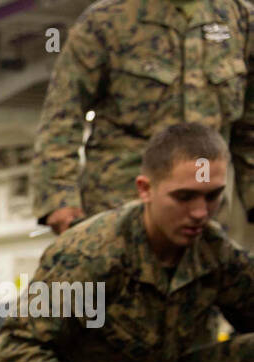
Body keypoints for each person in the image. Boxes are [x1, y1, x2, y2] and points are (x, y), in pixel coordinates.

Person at [0, 123, 254, 362]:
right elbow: (16, 349)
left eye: (212, 196)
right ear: (145, 189)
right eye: (184, 197)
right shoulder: (89, 253)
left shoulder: (216, 253)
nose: (200, 212)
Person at [30, 0, 254, 235]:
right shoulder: (107, 19)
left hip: (204, 212)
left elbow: (249, 126)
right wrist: (58, 198)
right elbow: (62, 114)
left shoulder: (240, 21)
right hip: (119, 210)